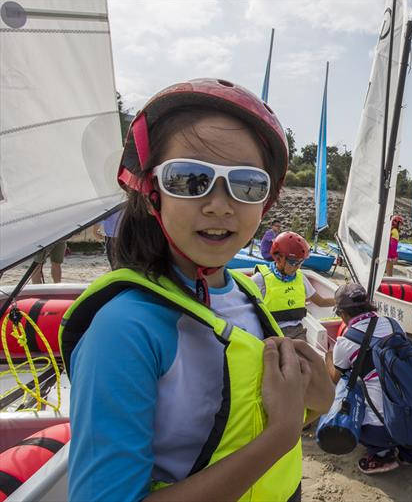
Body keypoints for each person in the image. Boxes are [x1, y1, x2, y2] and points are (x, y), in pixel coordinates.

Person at [63, 78, 334, 502]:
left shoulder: (245, 293)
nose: (220, 204)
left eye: (247, 184)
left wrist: (316, 397)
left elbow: (257, 415)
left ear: (264, 201)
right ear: (151, 190)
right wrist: (279, 436)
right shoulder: (123, 330)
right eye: (190, 179)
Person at [325, 283, 412, 475]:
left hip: (382, 428)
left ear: (343, 314)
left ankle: (382, 454)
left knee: (350, 390)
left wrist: (328, 357)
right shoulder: (394, 324)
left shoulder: (347, 341)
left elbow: (335, 378)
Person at [254, 231, 336, 340]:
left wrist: (341, 300)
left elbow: (321, 302)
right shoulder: (260, 279)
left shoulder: (300, 278)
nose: (297, 267)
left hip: (297, 333)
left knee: (302, 351)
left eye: (300, 262)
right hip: (271, 333)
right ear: (278, 258)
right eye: (293, 263)